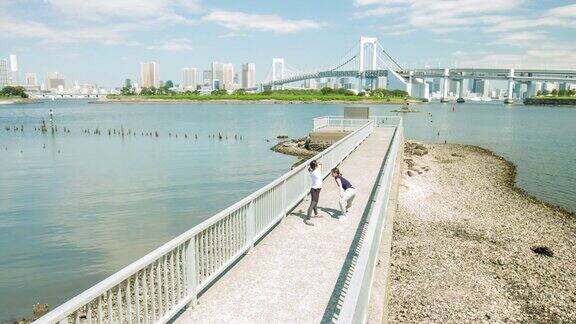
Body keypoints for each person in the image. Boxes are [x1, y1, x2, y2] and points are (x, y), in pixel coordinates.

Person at [305, 160, 322, 226]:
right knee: (313, 203)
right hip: (316, 190)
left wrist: (315, 163)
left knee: (315, 202)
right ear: (315, 166)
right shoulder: (317, 172)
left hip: (313, 189)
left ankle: (316, 214)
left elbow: (309, 168)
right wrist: (318, 162)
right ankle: (307, 219)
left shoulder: (311, 171)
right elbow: (321, 164)